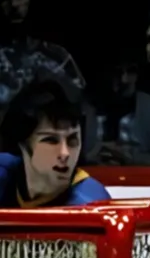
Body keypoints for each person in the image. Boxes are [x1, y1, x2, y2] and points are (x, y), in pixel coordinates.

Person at [0, 79, 109, 208]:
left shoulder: (89, 202)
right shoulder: (5, 172)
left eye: (72, 140)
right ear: (23, 143)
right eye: (51, 140)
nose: (65, 153)